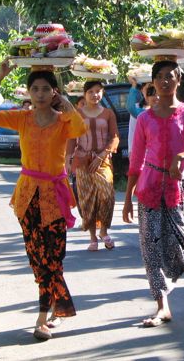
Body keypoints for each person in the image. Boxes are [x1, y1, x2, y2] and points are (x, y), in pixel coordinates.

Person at [0, 60, 86, 341]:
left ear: (54, 93)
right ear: (28, 92)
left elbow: (80, 129)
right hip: (27, 196)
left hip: (55, 194)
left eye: (46, 89)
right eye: (35, 89)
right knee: (38, 258)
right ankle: (52, 307)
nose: (39, 94)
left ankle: (42, 317)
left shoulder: (63, 121)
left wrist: (67, 105)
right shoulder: (21, 118)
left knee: (54, 257)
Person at [123, 60, 184, 327]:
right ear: (152, 82)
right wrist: (127, 198)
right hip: (148, 188)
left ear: (179, 79)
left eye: (170, 77)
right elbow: (136, 161)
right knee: (151, 247)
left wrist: (183, 155)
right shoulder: (144, 119)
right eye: (159, 77)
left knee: (180, 243)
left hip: (175, 188)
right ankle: (162, 306)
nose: (164, 82)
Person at [67, 80, 119, 251]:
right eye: (91, 92)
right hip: (82, 160)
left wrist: (104, 154)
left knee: (107, 194)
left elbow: (115, 137)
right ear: (84, 94)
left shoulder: (108, 113)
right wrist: (68, 159)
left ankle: (103, 231)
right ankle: (92, 238)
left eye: (98, 91)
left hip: (103, 161)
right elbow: (72, 138)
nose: (95, 95)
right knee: (87, 198)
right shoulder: (77, 114)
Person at [127, 78, 155, 156]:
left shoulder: (162, 110)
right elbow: (132, 132)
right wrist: (131, 151)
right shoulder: (138, 109)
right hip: (140, 154)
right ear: (142, 90)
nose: (152, 92)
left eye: (154, 88)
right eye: (149, 88)